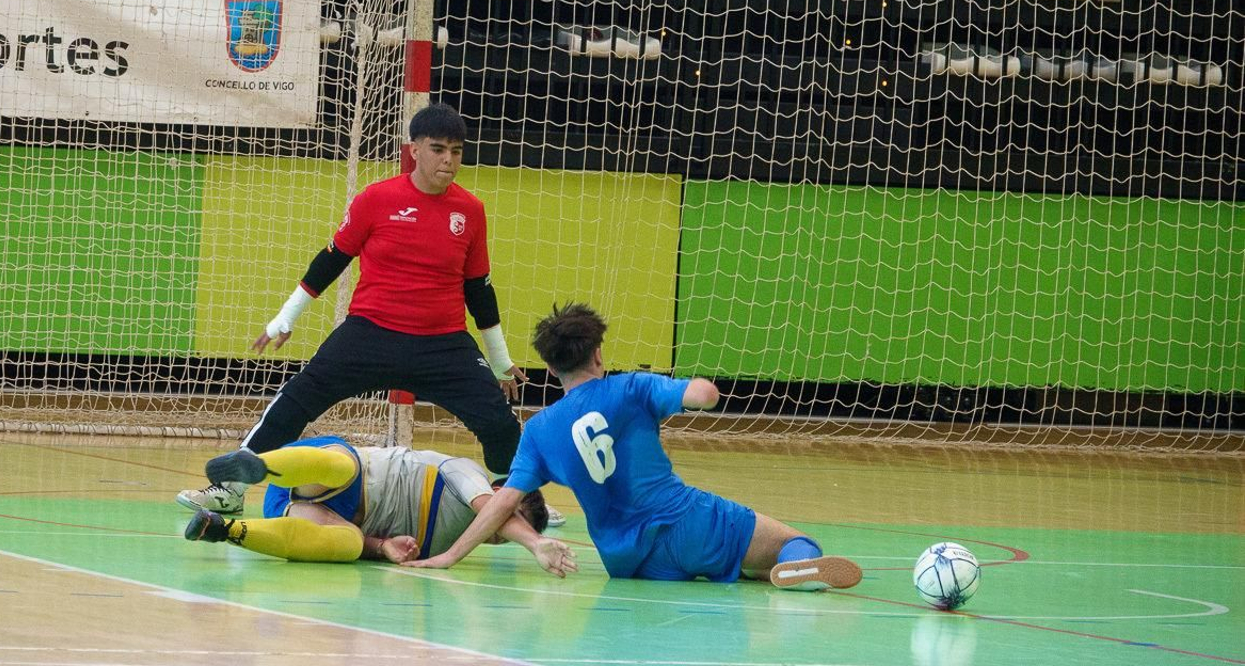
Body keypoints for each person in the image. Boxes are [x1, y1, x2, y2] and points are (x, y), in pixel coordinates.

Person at [179, 103, 534, 516]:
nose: (449, 160)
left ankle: (518, 501)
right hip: (370, 334)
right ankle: (230, 489)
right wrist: (285, 318)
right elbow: (331, 259)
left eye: (456, 151)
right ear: (414, 149)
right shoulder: (377, 199)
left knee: (499, 421)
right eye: (438, 149)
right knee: (297, 399)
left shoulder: (470, 211)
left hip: (443, 343)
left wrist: (499, 360)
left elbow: (479, 289)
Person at [410, 302, 863, 591]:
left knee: (744, 569)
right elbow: (704, 396)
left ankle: (762, 571)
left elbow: (501, 502)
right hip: (686, 523)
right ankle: (798, 571)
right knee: (796, 542)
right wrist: (698, 387)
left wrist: (450, 556)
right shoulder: (631, 388)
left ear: (551, 368)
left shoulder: (539, 429)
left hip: (623, 559)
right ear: (598, 355)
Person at [183, 439, 575, 575]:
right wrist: (536, 544)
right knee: (345, 466)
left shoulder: (449, 544)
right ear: (500, 489)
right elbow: (494, 509)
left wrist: (380, 548)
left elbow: (368, 546)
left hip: (303, 515)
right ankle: (259, 467)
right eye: (513, 515)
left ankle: (222, 529)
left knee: (349, 545)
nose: (501, 531)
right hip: (320, 469)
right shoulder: (466, 473)